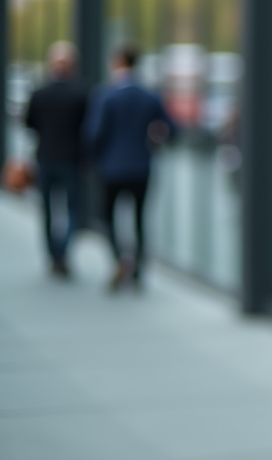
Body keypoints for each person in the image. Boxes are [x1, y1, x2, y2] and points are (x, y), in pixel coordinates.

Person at [85, 44, 176, 291]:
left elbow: (94, 134)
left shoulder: (106, 95)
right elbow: (172, 128)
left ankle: (119, 261)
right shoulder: (150, 95)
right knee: (139, 220)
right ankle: (137, 272)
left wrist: (94, 158)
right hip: (140, 167)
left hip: (111, 168)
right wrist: (155, 141)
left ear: (117, 62)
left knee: (108, 217)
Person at [24, 41, 90, 278]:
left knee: (47, 210)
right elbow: (89, 128)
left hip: (45, 158)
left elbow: (29, 123)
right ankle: (62, 252)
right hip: (71, 159)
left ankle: (53, 255)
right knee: (73, 209)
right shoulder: (81, 93)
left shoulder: (40, 93)